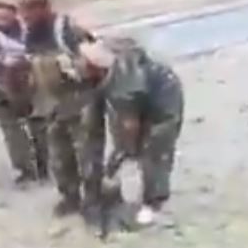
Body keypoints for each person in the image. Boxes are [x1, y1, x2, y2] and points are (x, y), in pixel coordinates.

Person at [78, 38, 183, 225]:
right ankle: (105, 194)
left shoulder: (124, 84)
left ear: (96, 67)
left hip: (163, 101)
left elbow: (130, 125)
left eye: (86, 63)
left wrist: (124, 154)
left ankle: (154, 203)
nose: (81, 65)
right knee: (121, 145)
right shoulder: (100, 76)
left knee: (155, 149)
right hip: (138, 98)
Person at [19, 0, 104, 216]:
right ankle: (70, 197)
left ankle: (94, 197)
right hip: (52, 103)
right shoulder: (30, 34)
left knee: (87, 152)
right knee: (59, 155)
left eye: (29, 10)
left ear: (44, 8)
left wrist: (78, 69)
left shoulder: (67, 29)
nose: (25, 16)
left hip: (80, 98)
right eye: (23, 11)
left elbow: (97, 59)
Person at [0, 0, 45, 184]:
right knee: (12, 132)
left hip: (30, 84)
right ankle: (24, 169)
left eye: (4, 15)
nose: (1, 19)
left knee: (39, 126)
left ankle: (43, 164)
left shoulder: (29, 31)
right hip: (1, 88)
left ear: (13, 14)